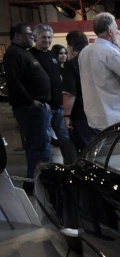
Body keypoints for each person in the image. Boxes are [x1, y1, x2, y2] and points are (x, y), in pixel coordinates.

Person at [5, 23, 52, 188]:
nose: (31, 36)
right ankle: (36, 185)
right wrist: (32, 101)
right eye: (28, 34)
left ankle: (41, 182)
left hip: (37, 108)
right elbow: (14, 82)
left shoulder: (23, 53)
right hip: (30, 109)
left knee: (41, 145)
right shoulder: (13, 54)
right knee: (38, 147)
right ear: (17, 36)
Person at [79, 12, 120, 132]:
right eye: (116, 28)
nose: (118, 31)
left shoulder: (84, 52)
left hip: (95, 119)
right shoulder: (111, 53)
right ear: (110, 31)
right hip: (117, 119)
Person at [30, 24, 78, 165]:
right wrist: (35, 100)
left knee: (66, 139)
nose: (47, 40)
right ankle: (49, 173)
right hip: (44, 107)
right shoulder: (30, 55)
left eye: (49, 37)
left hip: (58, 107)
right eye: (44, 37)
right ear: (36, 38)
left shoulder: (52, 55)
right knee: (44, 142)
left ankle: (70, 169)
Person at [62, 31, 93, 152]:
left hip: (80, 114)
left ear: (70, 47)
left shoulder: (71, 65)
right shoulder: (95, 60)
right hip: (98, 110)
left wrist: (66, 116)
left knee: (86, 149)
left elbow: (70, 94)